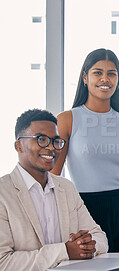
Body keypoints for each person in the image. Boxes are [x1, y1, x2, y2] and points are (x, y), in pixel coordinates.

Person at [51, 48, 119, 252]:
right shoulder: (67, 120)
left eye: (112, 73)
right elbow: (52, 177)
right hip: (84, 210)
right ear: (85, 77)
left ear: (118, 80)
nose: (105, 79)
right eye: (97, 72)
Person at [0, 109, 108, 271]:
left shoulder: (66, 187)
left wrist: (84, 244)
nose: (51, 148)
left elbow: (100, 238)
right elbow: (3, 261)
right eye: (41, 139)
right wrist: (65, 251)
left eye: (56, 141)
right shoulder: (3, 192)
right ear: (19, 145)